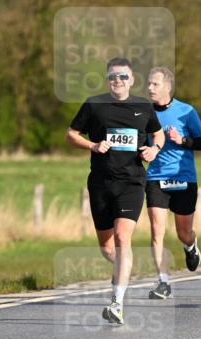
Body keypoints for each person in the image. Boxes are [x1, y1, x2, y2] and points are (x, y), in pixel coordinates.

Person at [67, 57, 164, 324]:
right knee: (107, 247)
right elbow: (71, 134)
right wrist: (93, 146)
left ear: (132, 80)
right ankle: (125, 269)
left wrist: (154, 150)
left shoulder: (143, 106)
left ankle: (116, 303)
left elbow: (159, 134)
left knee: (123, 238)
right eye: (112, 77)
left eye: (122, 76)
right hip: (100, 183)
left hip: (132, 183)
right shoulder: (94, 105)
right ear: (107, 79)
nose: (117, 81)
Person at [143, 67, 201, 299]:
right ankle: (163, 282)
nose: (150, 88)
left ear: (167, 87)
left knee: (183, 233)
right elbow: (141, 140)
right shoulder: (144, 112)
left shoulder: (186, 111)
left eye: (155, 84)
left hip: (183, 178)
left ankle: (191, 246)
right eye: (149, 84)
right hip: (155, 177)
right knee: (156, 232)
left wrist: (182, 140)